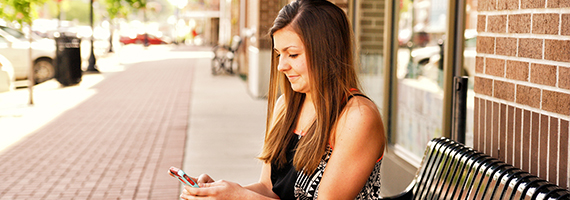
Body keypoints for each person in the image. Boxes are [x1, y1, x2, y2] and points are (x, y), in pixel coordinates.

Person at [180, 0, 386, 199]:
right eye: (279, 54)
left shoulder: (357, 116)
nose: (281, 66)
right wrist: (220, 193)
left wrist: (240, 197)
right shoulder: (286, 106)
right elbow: (269, 188)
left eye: (293, 55)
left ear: (327, 53)